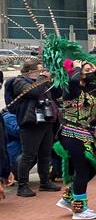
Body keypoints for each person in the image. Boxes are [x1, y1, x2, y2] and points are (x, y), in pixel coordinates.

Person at [54, 58, 96, 220]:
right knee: (83, 169)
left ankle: (69, 198)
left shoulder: (89, 89)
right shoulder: (69, 88)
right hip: (71, 133)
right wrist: (77, 68)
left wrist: (94, 70)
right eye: (85, 68)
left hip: (85, 132)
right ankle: (80, 210)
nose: (89, 69)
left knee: (94, 166)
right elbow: (74, 81)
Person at [9, 59, 62, 197]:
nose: (42, 72)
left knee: (45, 154)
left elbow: (57, 94)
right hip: (30, 123)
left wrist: (55, 80)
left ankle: (45, 182)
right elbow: (34, 93)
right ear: (29, 71)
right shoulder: (19, 81)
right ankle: (22, 186)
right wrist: (43, 77)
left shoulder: (41, 81)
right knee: (28, 155)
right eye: (39, 70)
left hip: (46, 121)